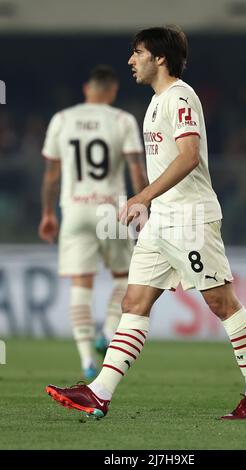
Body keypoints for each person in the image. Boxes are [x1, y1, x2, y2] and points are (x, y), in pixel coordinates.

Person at [46, 28, 246, 420]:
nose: (131, 61)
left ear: (160, 58)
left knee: (221, 302)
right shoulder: (155, 104)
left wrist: (142, 196)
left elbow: (188, 157)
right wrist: (149, 205)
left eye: (137, 53)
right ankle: (99, 392)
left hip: (190, 218)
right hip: (162, 221)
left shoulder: (180, 97)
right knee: (134, 302)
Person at [39, 65, 147, 378]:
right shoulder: (122, 120)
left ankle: (86, 360)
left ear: (87, 88)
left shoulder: (62, 119)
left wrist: (48, 213)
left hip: (73, 210)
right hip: (110, 209)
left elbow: (51, 174)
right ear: (112, 91)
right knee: (123, 275)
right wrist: (141, 207)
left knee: (80, 284)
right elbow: (136, 169)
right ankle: (109, 332)